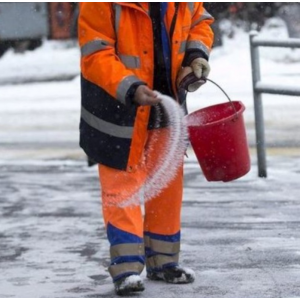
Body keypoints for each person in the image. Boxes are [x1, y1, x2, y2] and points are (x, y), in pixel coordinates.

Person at [78, 3, 214, 296]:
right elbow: (96, 55)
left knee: (166, 186)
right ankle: (126, 268)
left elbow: (199, 23)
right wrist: (131, 88)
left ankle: (164, 261)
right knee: (122, 188)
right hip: (118, 110)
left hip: (166, 107)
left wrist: (195, 57)